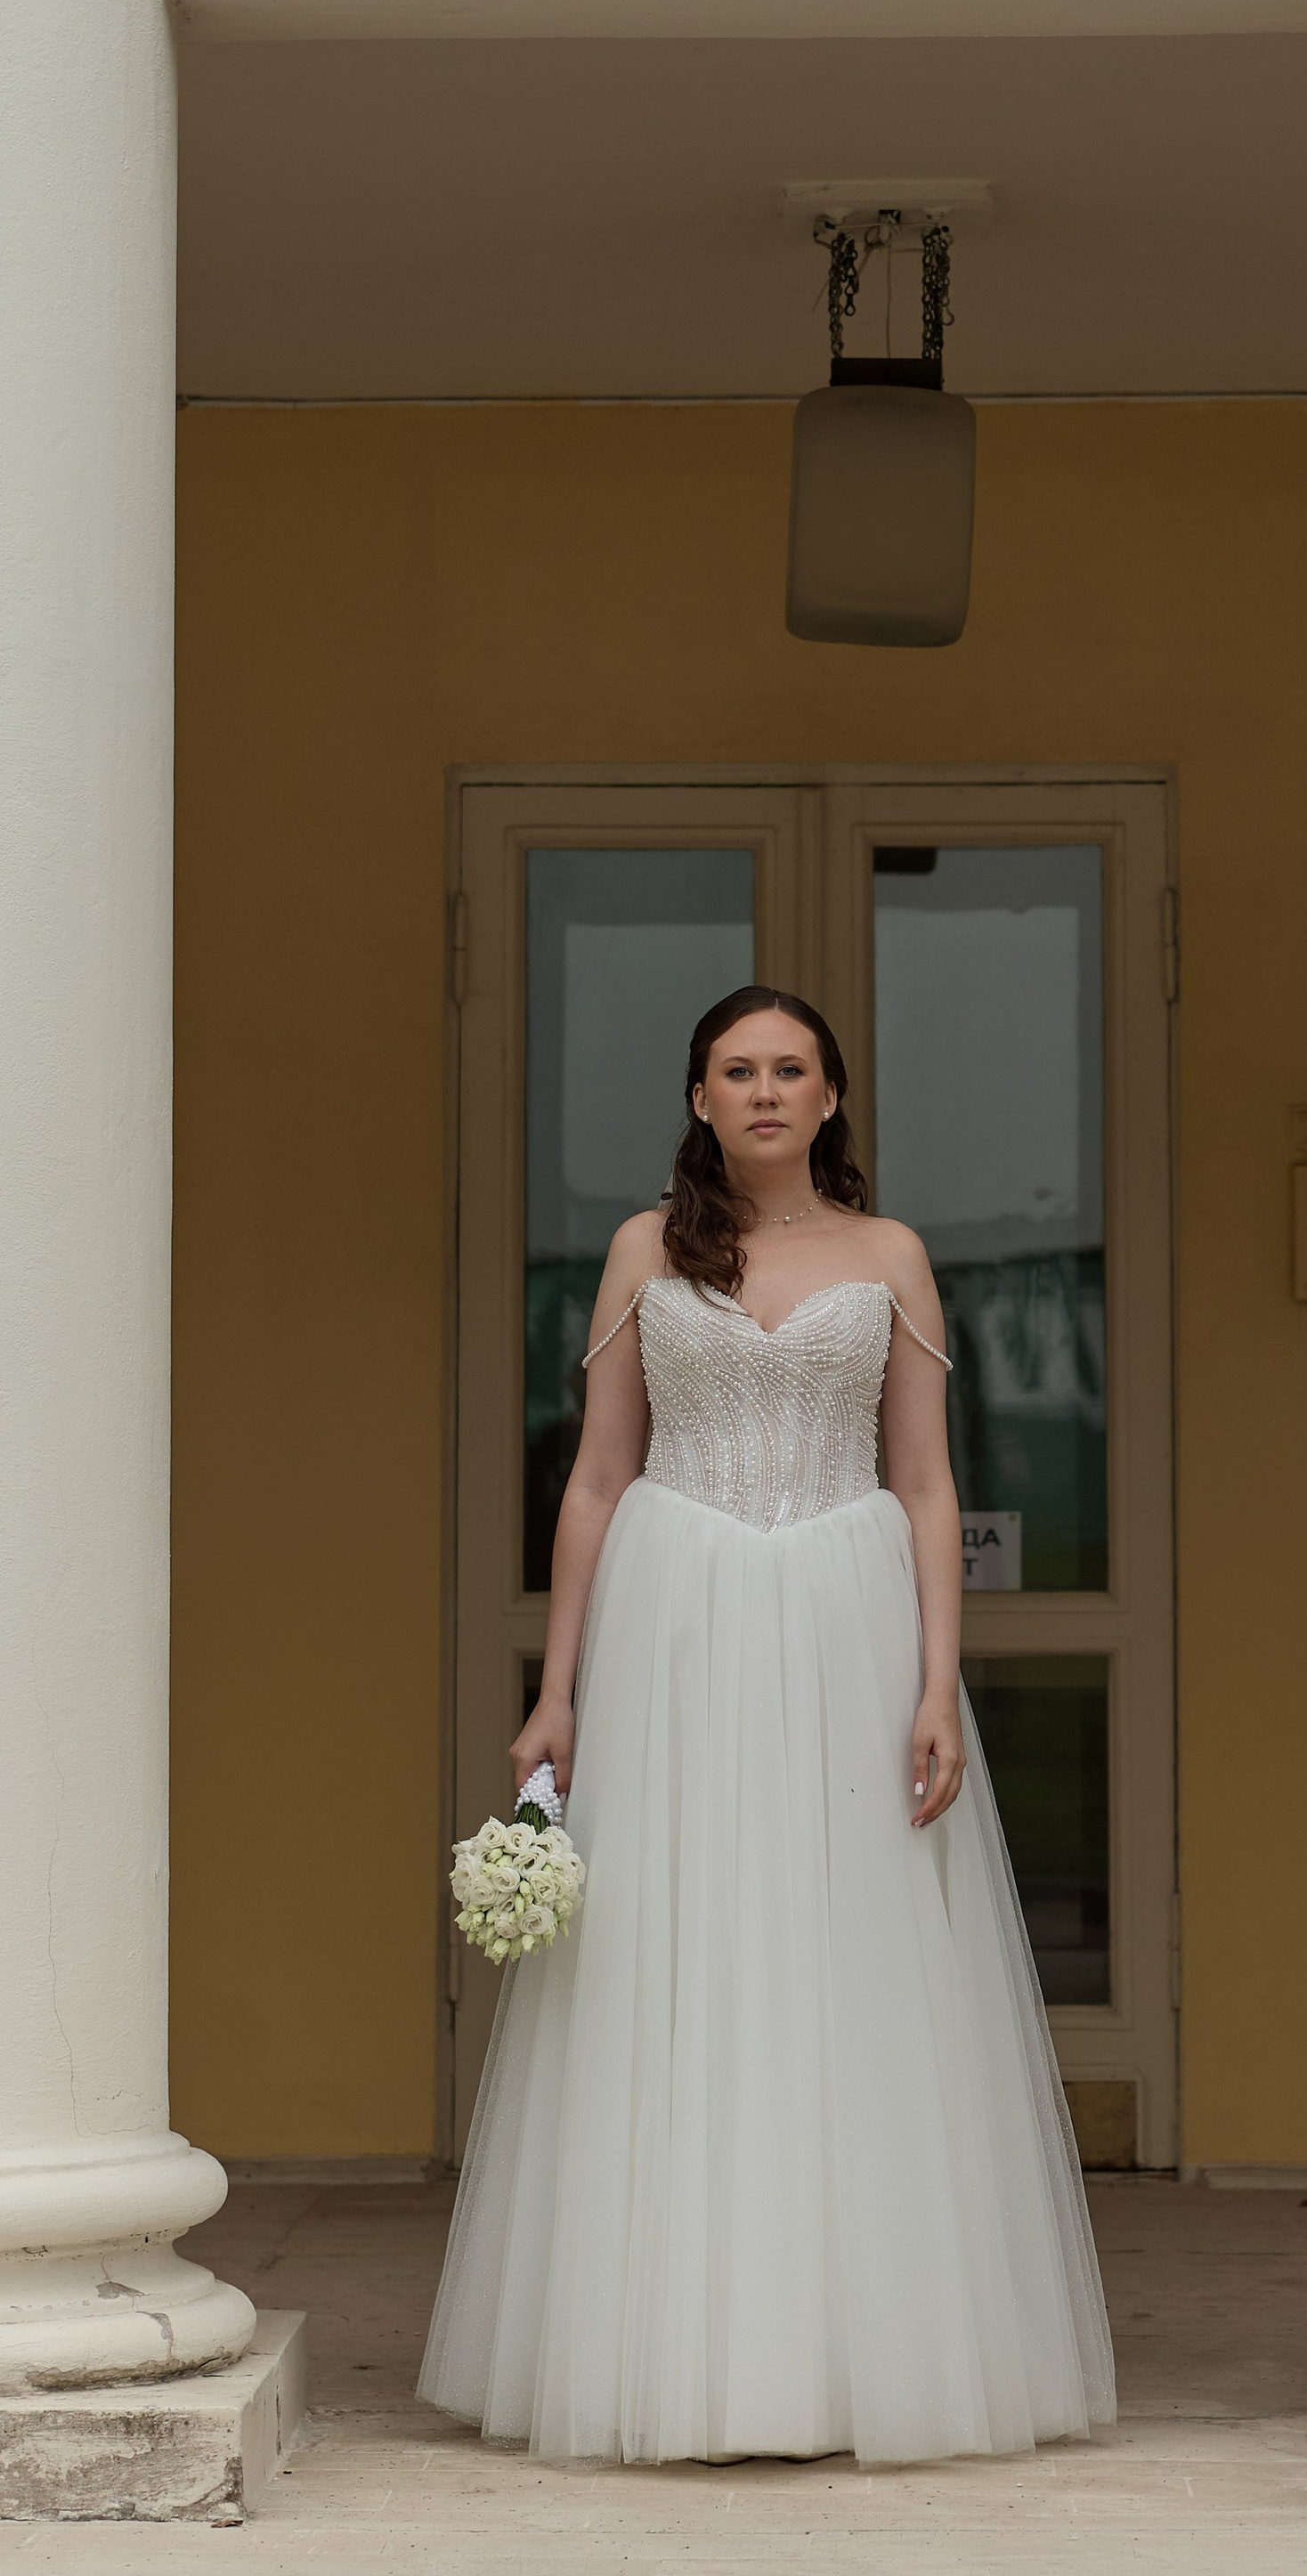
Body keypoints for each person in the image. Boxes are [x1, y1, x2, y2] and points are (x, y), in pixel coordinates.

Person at [418, 985, 1116, 2466]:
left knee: (844, 1950)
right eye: (737, 1070)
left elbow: (927, 1483)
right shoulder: (638, 1251)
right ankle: (665, 2347)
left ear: (833, 1094)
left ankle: (856, 2356)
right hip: (678, 1620)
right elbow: (598, 1481)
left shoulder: (892, 1257)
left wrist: (938, 1681)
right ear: (697, 1098)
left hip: (847, 1616)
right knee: (680, 1950)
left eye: (791, 1068)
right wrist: (557, 1688)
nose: (765, 1091)